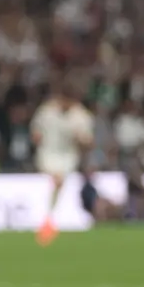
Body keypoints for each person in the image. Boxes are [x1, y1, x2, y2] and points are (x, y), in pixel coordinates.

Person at [31, 87, 94, 246]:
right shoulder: (46, 112)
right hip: (47, 154)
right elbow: (35, 133)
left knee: (59, 182)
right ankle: (46, 220)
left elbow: (88, 143)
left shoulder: (81, 116)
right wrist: (37, 138)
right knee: (54, 182)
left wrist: (81, 140)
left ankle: (50, 221)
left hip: (68, 158)